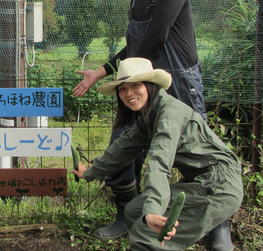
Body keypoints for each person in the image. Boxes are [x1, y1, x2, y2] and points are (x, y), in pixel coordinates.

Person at [72, 0, 234, 250]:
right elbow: (133, 45)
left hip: (178, 85)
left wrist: (126, 79)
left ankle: (216, 227)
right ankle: (126, 216)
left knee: (190, 154)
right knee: (124, 145)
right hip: (141, 87)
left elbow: (158, 36)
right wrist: (103, 72)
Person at [73, 57, 243, 251]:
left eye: (136, 85)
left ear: (150, 85)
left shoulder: (169, 116)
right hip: (198, 182)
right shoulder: (150, 114)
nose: (129, 94)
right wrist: (89, 172)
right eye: (123, 88)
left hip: (219, 186)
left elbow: (159, 164)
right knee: (134, 211)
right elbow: (122, 149)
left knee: (145, 237)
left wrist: (152, 211)